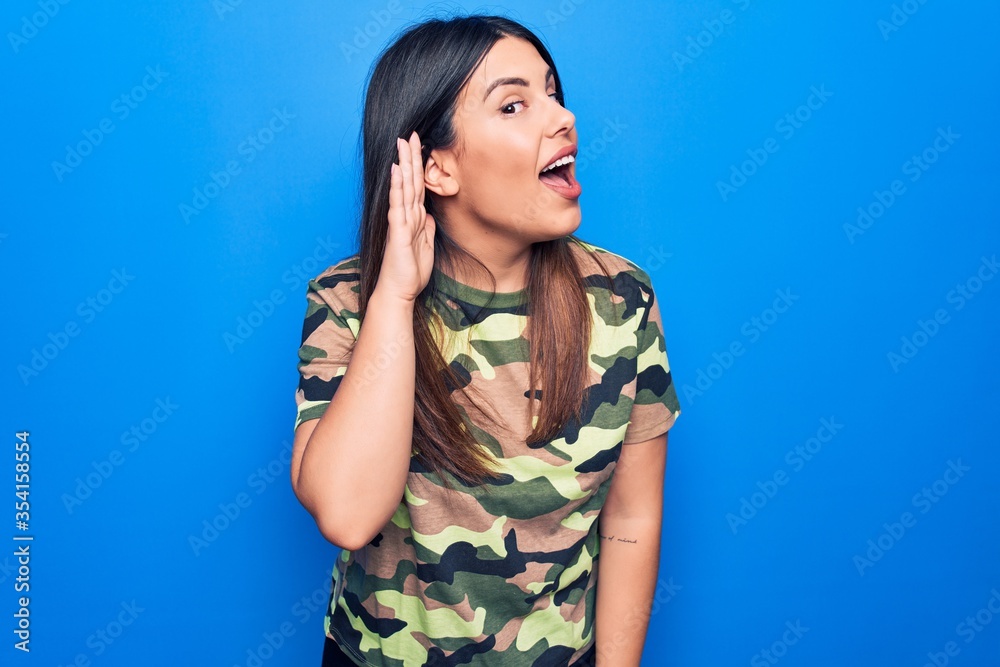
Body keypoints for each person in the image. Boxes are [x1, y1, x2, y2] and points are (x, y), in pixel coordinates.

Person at [290, 13, 682, 667]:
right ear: (436, 168)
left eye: (553, 93)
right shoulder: (348, 300)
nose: (561, 117)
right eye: (513, 104)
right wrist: (395, 297)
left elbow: (632, 521)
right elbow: (348, 515)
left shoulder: (623, 300)